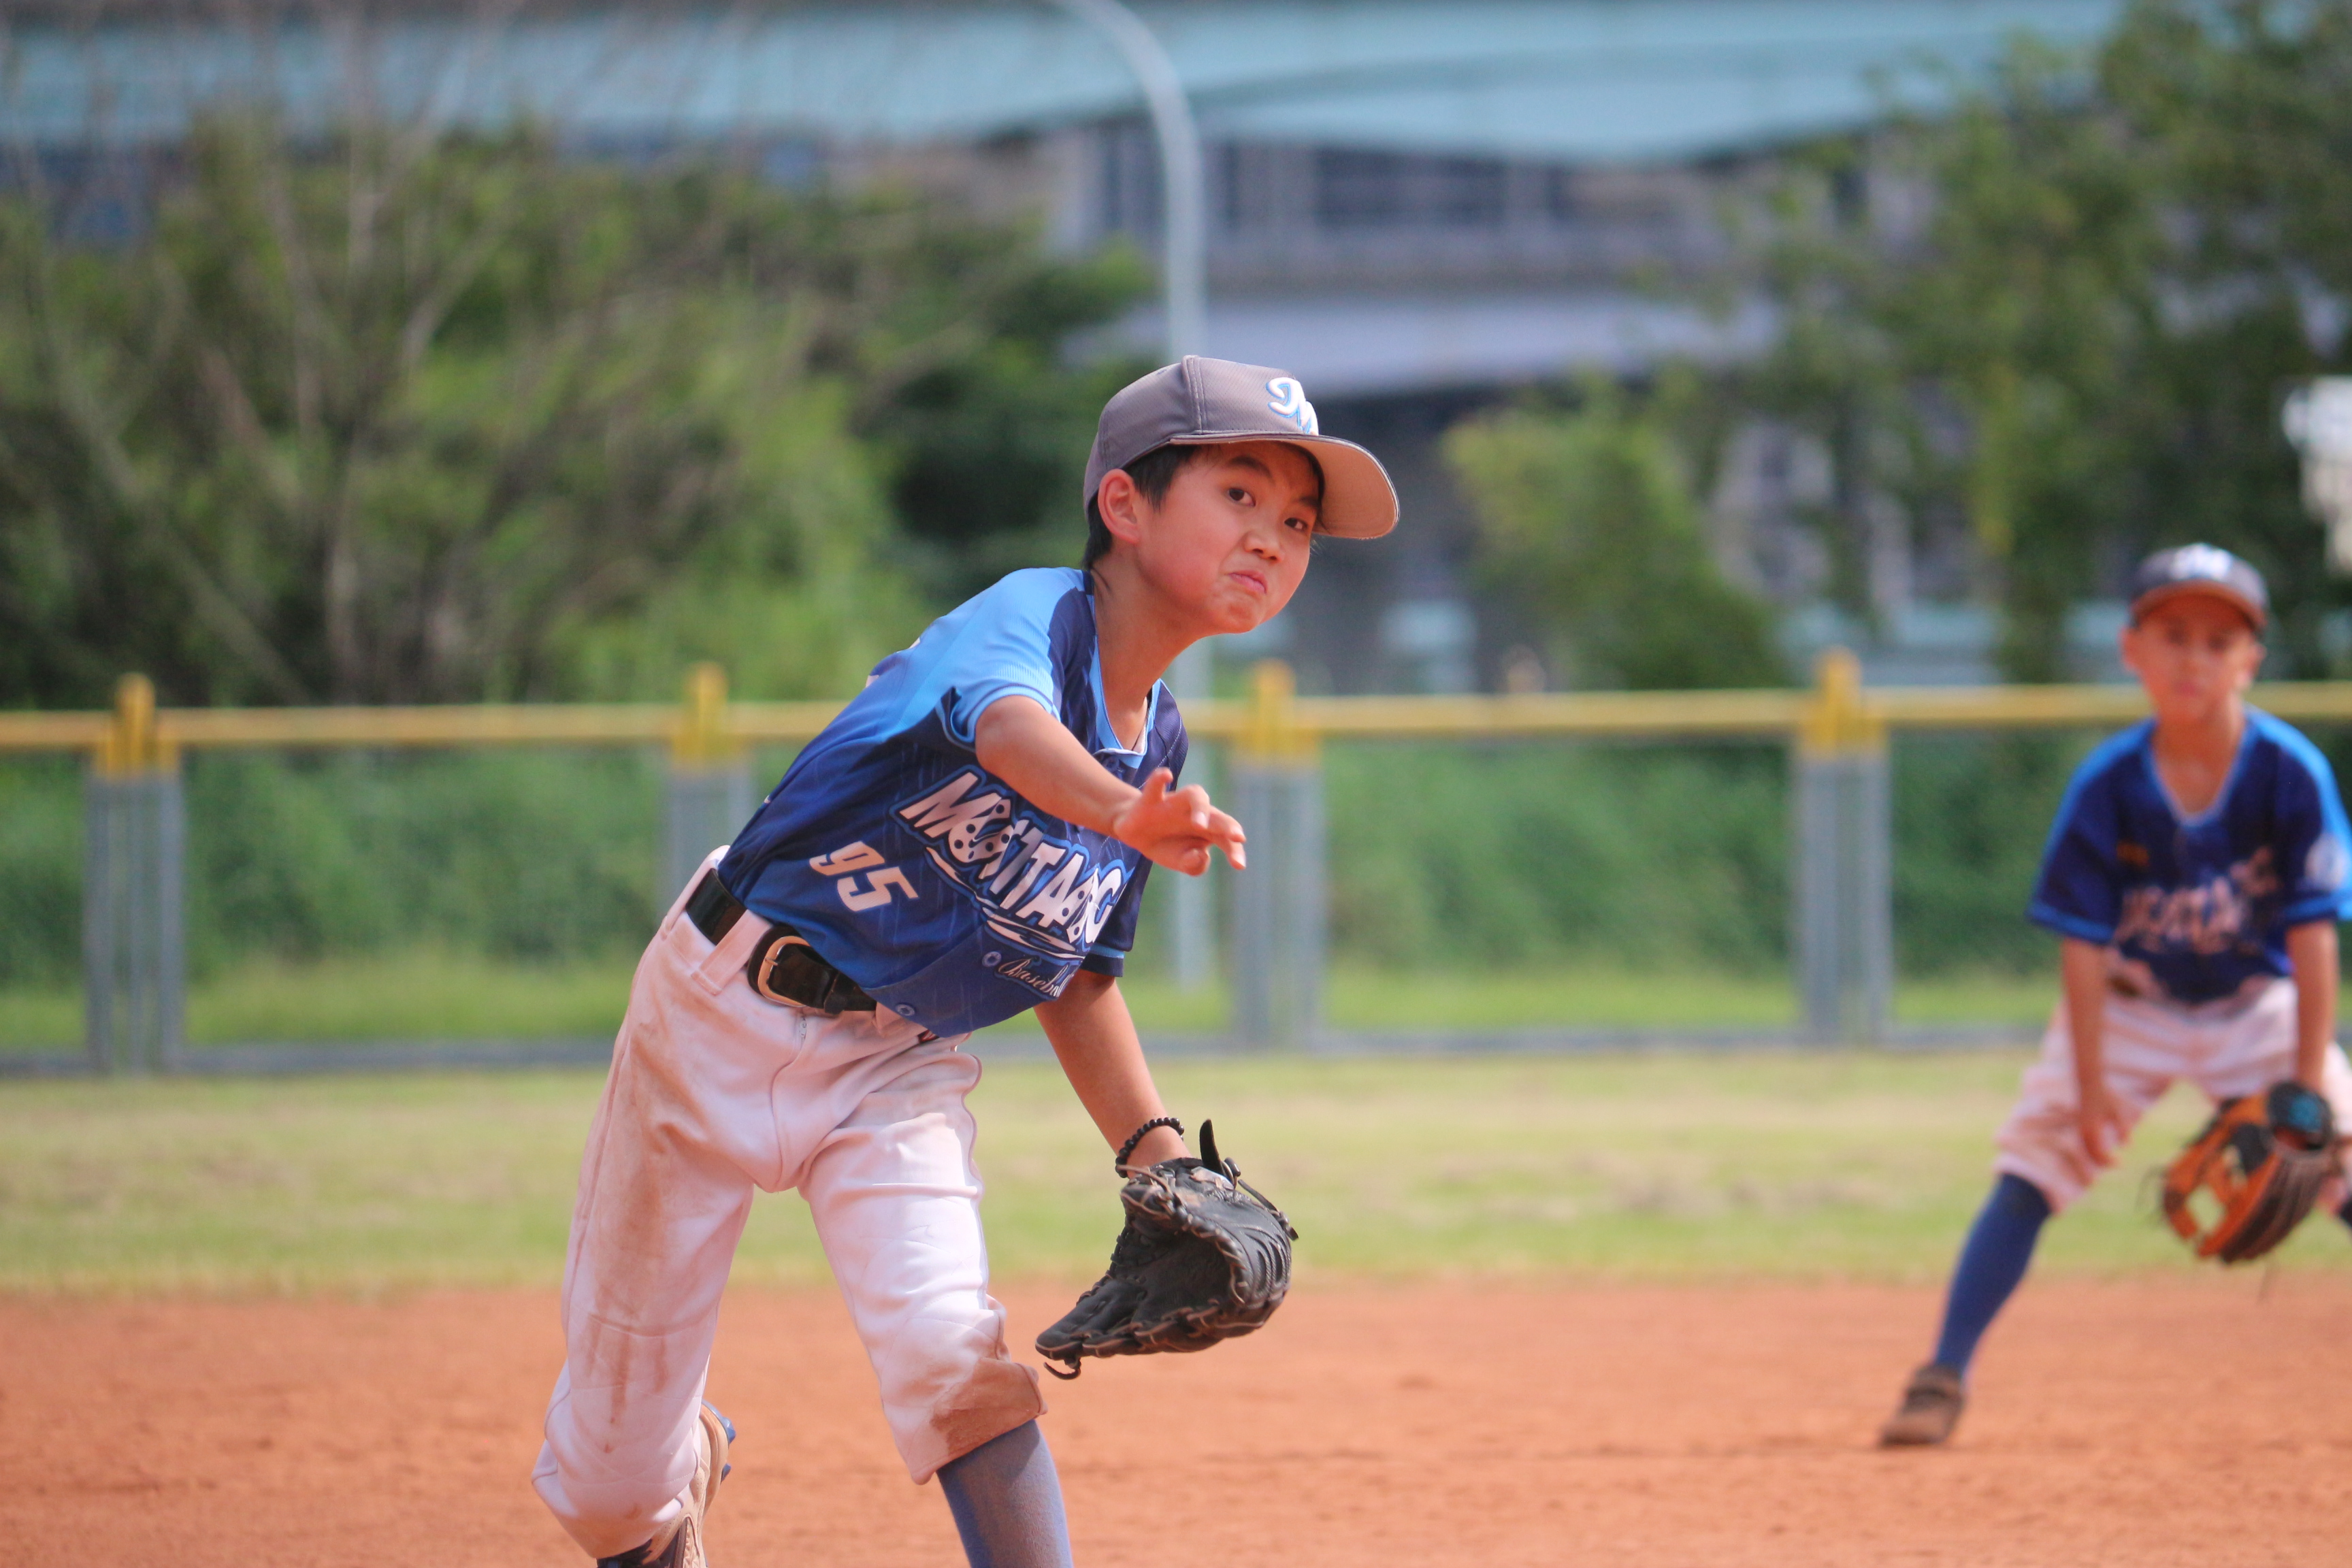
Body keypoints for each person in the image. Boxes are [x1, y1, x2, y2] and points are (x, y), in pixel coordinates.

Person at [532, 356, 1399, 1565]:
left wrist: (1155, 1151)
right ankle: (671, 1475)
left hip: (895, 1060)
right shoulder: (1029, 620)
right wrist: (1120, 811)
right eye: (1241, 494)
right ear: (1125, 503)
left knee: (953, 1353)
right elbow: (1003, 725)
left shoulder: (1162, 738)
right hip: (720, 1009)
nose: (1273, 536)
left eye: (1298, 523)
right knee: (611, 1484)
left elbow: (1078, 975)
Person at [1878, 544, 2352, 1448]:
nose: (2194, 659)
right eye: (2173, 635)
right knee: (2033, 1167)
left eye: (2219, 641)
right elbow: (2084, 948)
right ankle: (1941, 1376)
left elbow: (2314, 937)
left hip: (2258, 1006)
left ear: (2251, 661)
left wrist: (2304, 1091)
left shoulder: (2290, 772)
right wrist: (2092, 1087)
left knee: (2342, 1157)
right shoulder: (2109, 785)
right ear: (2132, 649)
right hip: (2131, 1008)